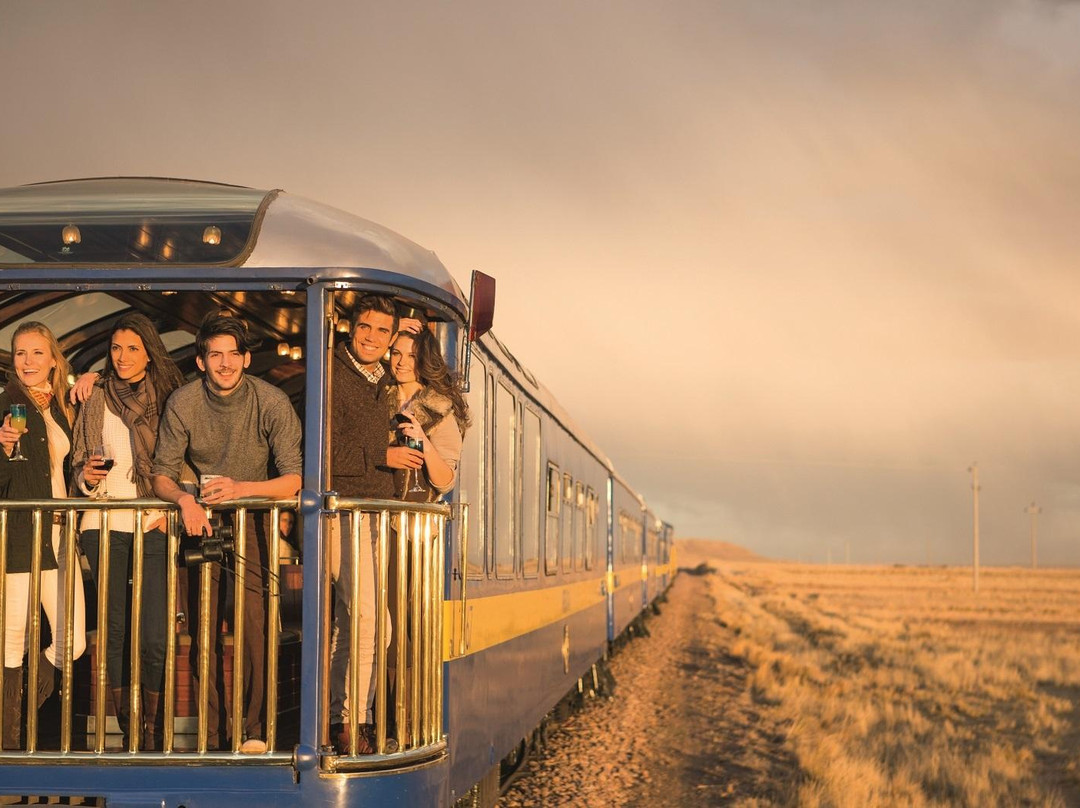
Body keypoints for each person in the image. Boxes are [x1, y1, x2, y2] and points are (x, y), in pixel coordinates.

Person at [151, 313, 302, 753]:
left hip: (252, 517)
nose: (225, 363)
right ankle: (212, 733)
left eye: (233, 354)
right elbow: (162, 473)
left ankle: (253, 731)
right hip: (199, 518)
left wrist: (242, 490)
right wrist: (184, 500)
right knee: (203, 628)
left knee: (253, 626)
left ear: (247, 358)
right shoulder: (183, 401)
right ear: (201, 361)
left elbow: (293, 478)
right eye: (215, 354)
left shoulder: (271, 401)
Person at [70, 313, 184, 750]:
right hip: (103, 521)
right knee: (113, 630)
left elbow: (183, 455)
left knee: (155, 633)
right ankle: (127, 728)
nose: (122, 357)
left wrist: (171, 509)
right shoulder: (95, 393)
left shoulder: (170, 396)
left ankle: (152, 728)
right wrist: (88, 478)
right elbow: (80, 456)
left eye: (132, 348)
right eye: (116, 348)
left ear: (149, 350)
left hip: (154, 520)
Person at [328, 294, 422, 754]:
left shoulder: (386, 381)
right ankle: (351, 723)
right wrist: (380, 457)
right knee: (367, 619)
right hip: (342, 511)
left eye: (382, 331)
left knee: (362, 623)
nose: (372, 337)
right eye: (365, 327)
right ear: (351, 327)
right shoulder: (329, 373)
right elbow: (318, 453)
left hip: (374, 513)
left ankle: (338, 717)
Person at [0, 321, 87, 750]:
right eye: (20, 354)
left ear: (53, 359)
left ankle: (25, 712)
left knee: (72, 639)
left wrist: (83, 477)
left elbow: (58, 471)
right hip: (19, 533)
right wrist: (2, 449)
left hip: (58, 531)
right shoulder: (6, 404)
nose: (28, 362)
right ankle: (10, 744)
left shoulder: (57, 407)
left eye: (37, 353)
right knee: (11, 639)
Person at [388, 327, 470, 501]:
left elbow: (445, 483)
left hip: (414, 523)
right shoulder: (378, 396)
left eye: (412, 356)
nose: (402, 362)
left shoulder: (440, 411)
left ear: (424, 360)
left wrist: (425, 444)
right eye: (396, 353)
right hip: (372, 518)